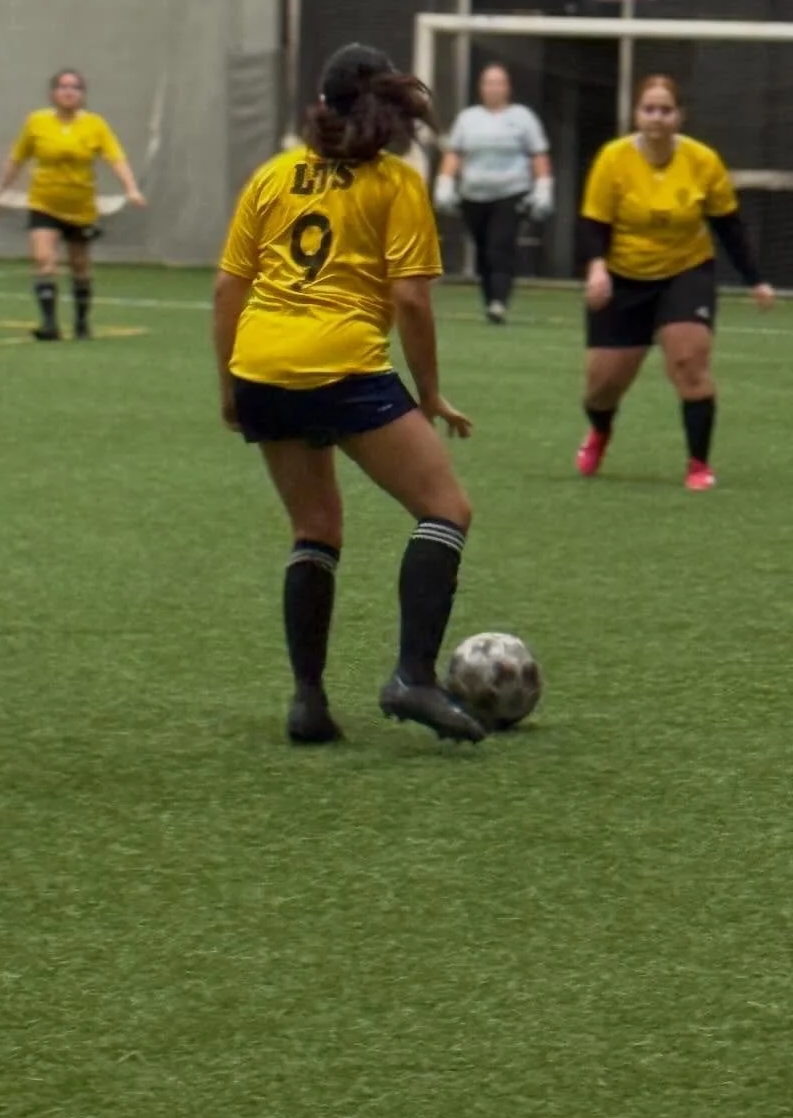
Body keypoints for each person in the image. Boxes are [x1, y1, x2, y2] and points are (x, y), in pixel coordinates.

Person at [214, 42, 485, 747]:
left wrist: (229, 387)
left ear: (321, 103)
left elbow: (228, 289)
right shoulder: (394, 184)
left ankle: (308, 701)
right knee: (445, 509)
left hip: (261, 367)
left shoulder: (273, 176)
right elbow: (412, 301)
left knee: (316, 527)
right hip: (342, 366)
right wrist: (428, 393)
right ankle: (412, 678)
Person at [577, 72, 774, 491]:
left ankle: (698, 464)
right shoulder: (613, 158)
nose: (657, 118)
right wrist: (597, 268)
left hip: (686, 271)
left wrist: (755, 279)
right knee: (602, 387)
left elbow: (728, 226)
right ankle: (600, 432)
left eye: (666, 110)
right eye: (649, 109)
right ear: (636, 114)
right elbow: (594, 224)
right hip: (623, 277)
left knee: (689, 363)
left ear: (679, 116)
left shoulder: (702, 161)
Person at [0, 69, 147, 341]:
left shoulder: (95, 125)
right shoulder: (36, 122)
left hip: (80, 207)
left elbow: (116, 158)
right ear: (53, 93)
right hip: (43, 202)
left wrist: (131, 189)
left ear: (83, 95)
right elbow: (17, 159)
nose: (68, 92)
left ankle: (82, 322)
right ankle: (49, 324)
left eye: (75, 87)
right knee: (43, 259)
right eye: (62, 87)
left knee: (80, 266)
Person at [434, 62, 554, 324]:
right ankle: (491, 300)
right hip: (473, 195)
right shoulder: (468, 118)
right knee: (484, 248)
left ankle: (500, 301)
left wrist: (544, 186)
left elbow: (538, 155)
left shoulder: (523, 118)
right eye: (489, 83)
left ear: (507, 87)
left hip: (511, 192)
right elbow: (455, 153)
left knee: (500, 245)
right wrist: (444, 181)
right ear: (481, 88)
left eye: (499, 83)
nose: (494, 88)